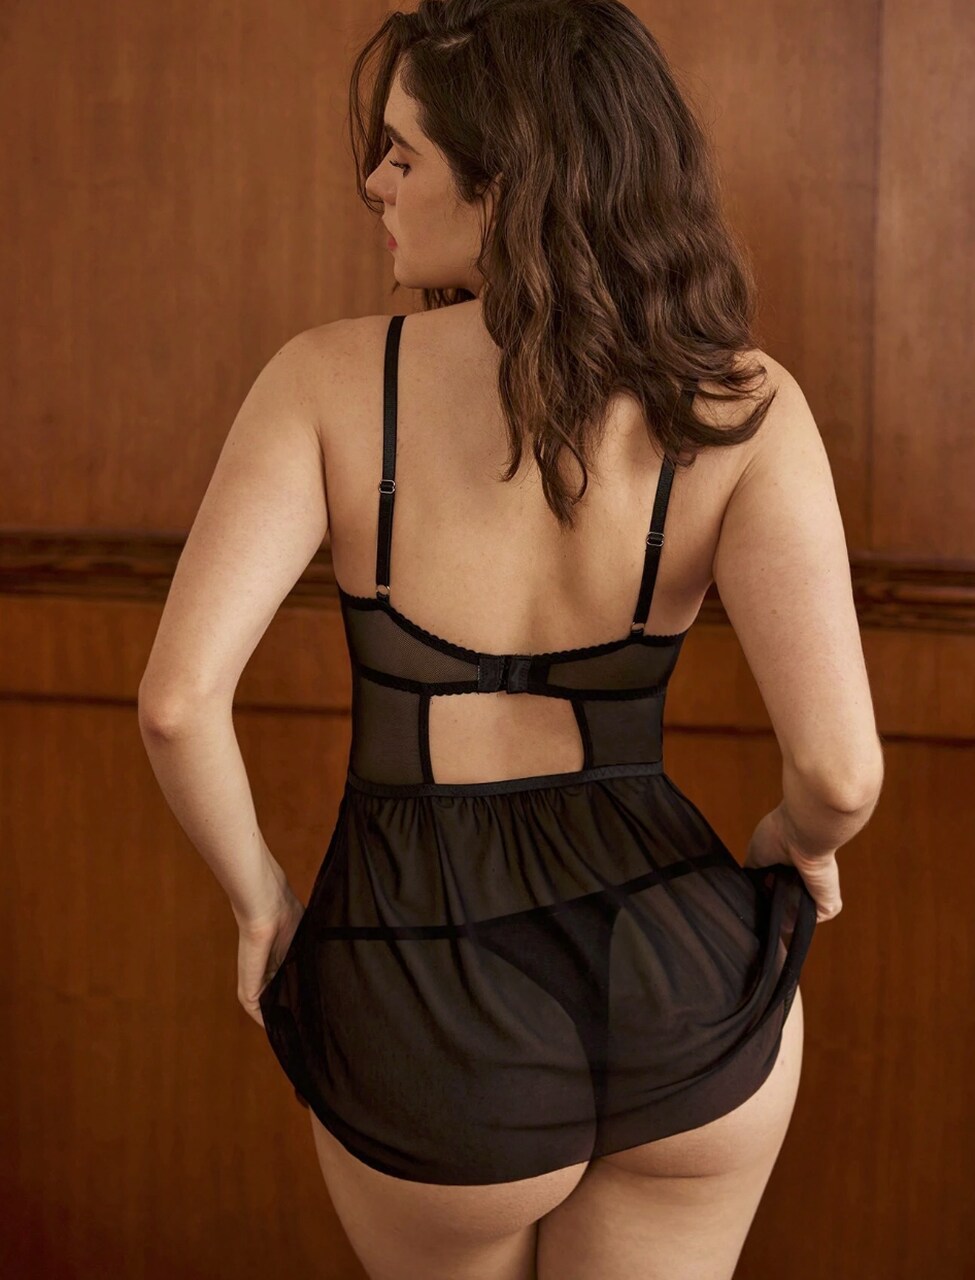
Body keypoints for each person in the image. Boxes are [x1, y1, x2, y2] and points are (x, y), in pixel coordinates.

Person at [138, 2, 884, 1277]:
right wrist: (791, 841)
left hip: (422, 991)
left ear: (507, 185)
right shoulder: (744, 401)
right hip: (681, 981)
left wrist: (259, 898)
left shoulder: (325, 382)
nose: (375, 184)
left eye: (405, 155)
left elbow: (175, 703)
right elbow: (842, 774)